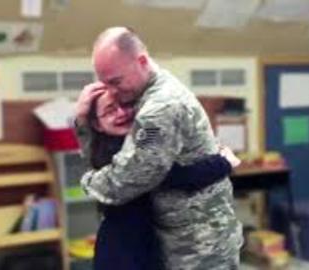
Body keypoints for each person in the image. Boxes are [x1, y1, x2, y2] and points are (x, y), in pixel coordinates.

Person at [75, 26, 243, 269]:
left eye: (115, 81)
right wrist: (80, 121)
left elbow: (135, 174)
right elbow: (144, 166)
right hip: (171, 240)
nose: (112, 92)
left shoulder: (158, 110)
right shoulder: (143, 94)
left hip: (198, 246)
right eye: (104, 84)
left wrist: (88, 183)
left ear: (141, 61)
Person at [85, 90, 240, 270]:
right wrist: (223, 162)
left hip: (150, 242)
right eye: (110, 110)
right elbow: (177, 176)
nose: (121, 113)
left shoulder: (138, 137)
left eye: (125, 105)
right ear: (97, 124)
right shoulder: (116, 152)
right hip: (128, 252)